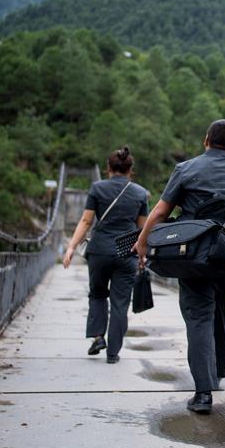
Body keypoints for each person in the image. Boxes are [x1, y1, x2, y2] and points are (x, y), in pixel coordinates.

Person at [134, 119, 225, 414]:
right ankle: (218, 373)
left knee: (199, 318)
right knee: (223, 312)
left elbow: (161, 211)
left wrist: (142, 242)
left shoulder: (186, 170)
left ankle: (203, 393)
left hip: (192, 258)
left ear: (206, 140)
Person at [63, 147, 149, 364]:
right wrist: (142, 255)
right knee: (120, 303)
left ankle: (98, 336)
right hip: (126, 252)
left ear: (108, 168)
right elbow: (142, 229)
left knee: (98, 294)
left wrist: (72, 247)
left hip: (99, 251)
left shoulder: (97, 188)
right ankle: (113, 353)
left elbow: (86, 221)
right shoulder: (140, 193)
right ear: (131, 170)